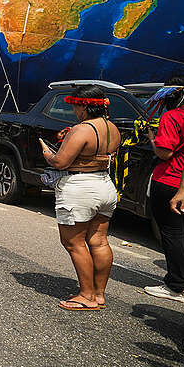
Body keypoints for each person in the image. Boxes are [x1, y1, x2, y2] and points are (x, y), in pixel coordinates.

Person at [38, 85, 120, 311]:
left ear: (84, 106)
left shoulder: (82, 129)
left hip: (80, 188)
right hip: (105, 186)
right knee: (99, 240)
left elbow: (60, 162)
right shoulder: (112, 128)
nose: (73, 110)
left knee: (73, 241)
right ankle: (99, 295)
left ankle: (86, 295)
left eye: (75, 106)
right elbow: (100, 157)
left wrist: (47, 151)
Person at [143, 76, 184, 304]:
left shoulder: (172, 116)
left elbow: (165, 153)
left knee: (172, 234)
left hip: (170, 180)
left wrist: (153, 141)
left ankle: (177, 285)